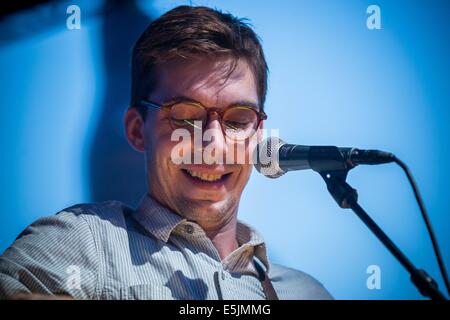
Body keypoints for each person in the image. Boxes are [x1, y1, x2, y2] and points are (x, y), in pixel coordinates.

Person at [0, 5, 332, 300]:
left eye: (238, 119)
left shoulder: (306, 292)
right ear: (135, 129)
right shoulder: (83, 241)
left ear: (258, 133)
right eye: (187, 118)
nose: (214, 143)